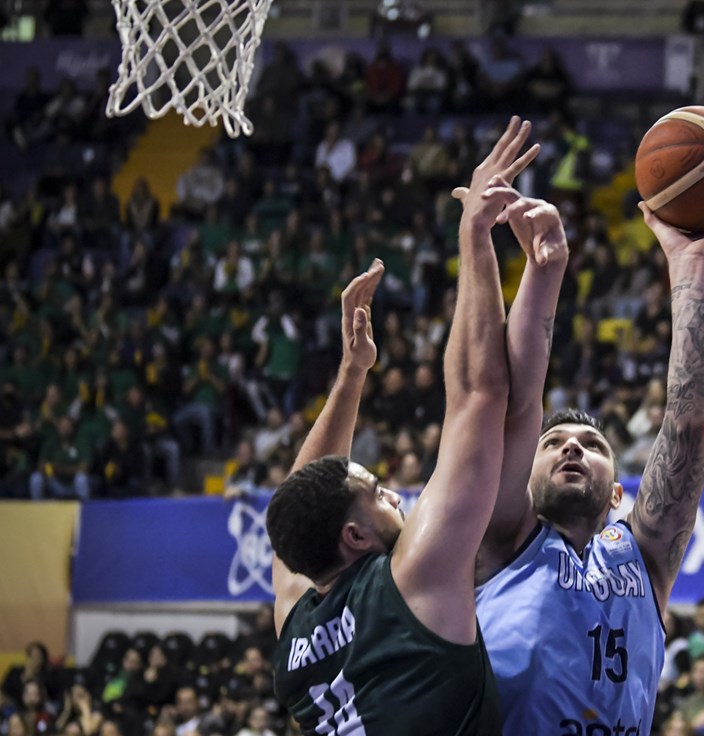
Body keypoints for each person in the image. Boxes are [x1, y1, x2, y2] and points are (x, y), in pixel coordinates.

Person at [267, 117, 539, 735]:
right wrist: (475, 237)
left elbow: (303, 492)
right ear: (357, 537)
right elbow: (479, 395)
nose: (394, 491)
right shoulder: (414, 577)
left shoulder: (294, 628)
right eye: (377, 491)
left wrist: (353, 373)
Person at [473, 181, 704, 734]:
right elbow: (508, 403)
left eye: (593, 446)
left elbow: (692, 423)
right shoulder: (499, 542)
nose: (572, 446)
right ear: (521, 482)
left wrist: (690, 267)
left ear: (619, 494)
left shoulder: (642, 557)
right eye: (551, 445)